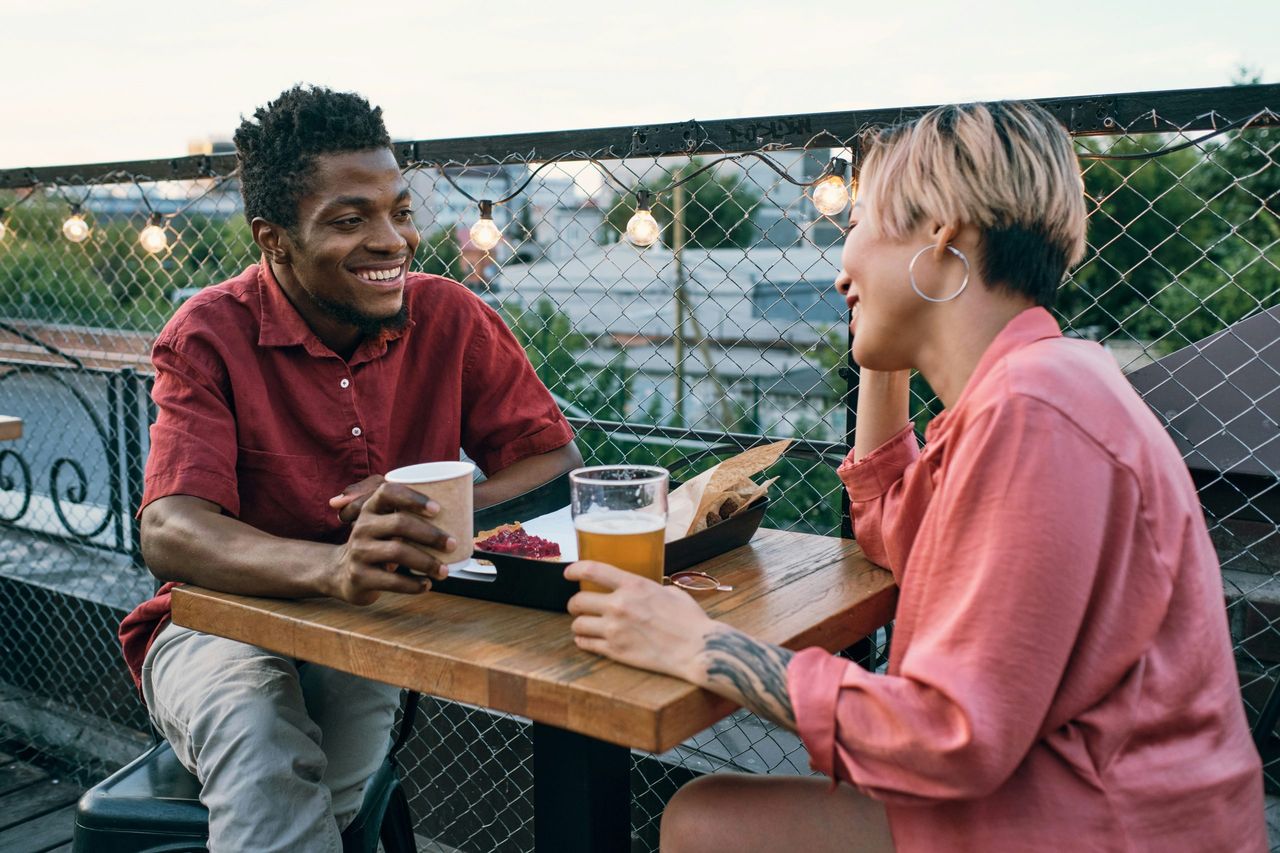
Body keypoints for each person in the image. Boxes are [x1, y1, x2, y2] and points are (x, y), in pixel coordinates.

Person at [564, 101, 1265, 852]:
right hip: (1058, 795)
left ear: (941, 234)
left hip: (1095, 823)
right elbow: (895, 523)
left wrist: (703, 647)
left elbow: (954, 736)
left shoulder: (1035, 410)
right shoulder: (1029, 385)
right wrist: (885, 344)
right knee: (707, 816)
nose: (840, 269)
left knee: (707, 824)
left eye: (857, 223)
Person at [118, 85, 582, 852]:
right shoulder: (205, 333)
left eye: (399, 210)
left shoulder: (452, 315)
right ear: (274, 239)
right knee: (261, 741)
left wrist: (429, 507)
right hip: (214, 627)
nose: (393, 239)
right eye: (349, 219)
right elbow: (170, 530)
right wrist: (336, 568)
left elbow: (553, 465)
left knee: (311, 801)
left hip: (373, 624)